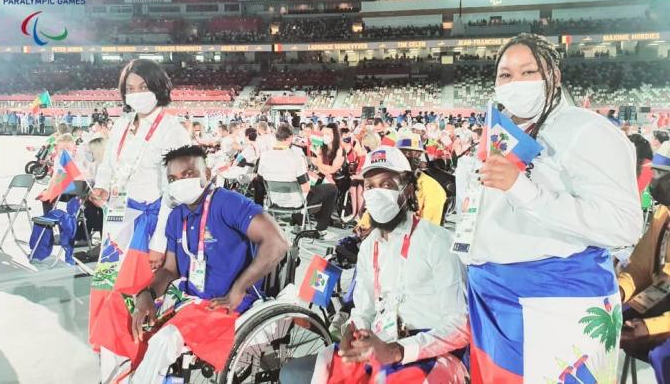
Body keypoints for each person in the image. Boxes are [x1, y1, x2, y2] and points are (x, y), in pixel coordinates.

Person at [458, 34, 642, 382]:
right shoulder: (501, 135)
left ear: (554, 76)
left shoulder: (587, 131)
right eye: (505, 75)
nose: (516, 83)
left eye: (528, 72)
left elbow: (624, 225)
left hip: (556, 304)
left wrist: (523, 190)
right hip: (493, 303)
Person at [281, 146, 469, 383]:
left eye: (387, 185)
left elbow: (461, 326)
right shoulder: (370, 247)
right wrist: (353, 329)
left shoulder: (437, 241)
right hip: (379, 344)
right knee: (302, 372)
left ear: (408, 190)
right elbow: (364, 309)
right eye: (370, 186)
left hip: (429, 353)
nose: (376, 193)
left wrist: (398, 351)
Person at [128, 145, 288, 383]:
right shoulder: (176, 216)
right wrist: (147, 294)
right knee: (133, 323)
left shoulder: (227, 203)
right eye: (173, 178)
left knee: (162, 342)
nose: (180, 182)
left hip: (231, 305)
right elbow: (170, 269)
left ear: (208, 173)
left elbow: (277, 243)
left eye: (189, 174)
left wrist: (238, 289)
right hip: (192, 302)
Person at [87, 59, 192, 382]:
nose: (136, 94)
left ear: (158, 88)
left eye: (143, 87)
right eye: (130, 89)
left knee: (128, 299)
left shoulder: (172, 130)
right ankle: (112, 367)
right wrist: (102, 185)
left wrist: (160, 241)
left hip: (149, 226)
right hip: (119, 224)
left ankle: (132, 368)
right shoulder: (122, 124)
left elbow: (173, 193)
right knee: (105, 292)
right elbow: (109, 165)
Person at [617, 141, 670, 383]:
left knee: (663, 356)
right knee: (610, 316)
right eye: (655, 173)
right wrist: (619, 290)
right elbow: (639, 266)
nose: (654, 181)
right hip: (660, 293)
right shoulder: (663, 214)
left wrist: (650, 328)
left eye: (661, 175)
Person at [257, 123, 337, 231]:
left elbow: (260, 184)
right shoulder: (296, 157)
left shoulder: (264, 157)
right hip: (296, 202)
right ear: (290, 137)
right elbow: (306, 188)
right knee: (331, 188)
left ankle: (299, 220)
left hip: (275, 201)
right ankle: (321, 228)